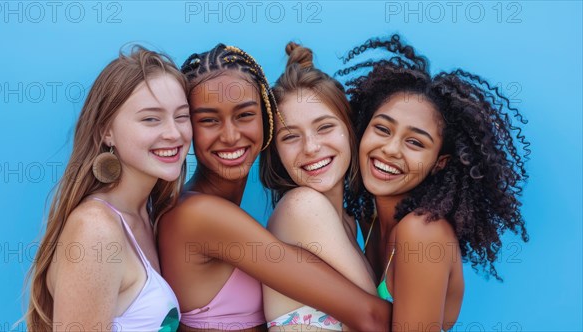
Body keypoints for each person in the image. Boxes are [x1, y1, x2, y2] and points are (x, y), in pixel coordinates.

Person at [157, 44, 390, 331]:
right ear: (188, 126)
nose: (230, 136)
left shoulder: (345, 220)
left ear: (266, 122)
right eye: (208, 120)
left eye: (244, 115)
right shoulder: (196, 213)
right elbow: (371, 317)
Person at [338, 34, 530, 331]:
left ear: (440, 162)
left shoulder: (422, 231)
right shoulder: (370, 218)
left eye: (415, 142)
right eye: (382, 129)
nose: (390, 149)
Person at [25, 46, 191, 332]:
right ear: (106, 131)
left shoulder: (149, 214)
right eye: (151, 118)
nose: (174, 133)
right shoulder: (96, 230)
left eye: (181, 116)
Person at [259, 42, 376, 331]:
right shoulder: (302, 206)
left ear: (349, 130)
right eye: (290, 137)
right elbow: (378, 319)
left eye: (325, 127)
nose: (311, 147)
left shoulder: (349, 221)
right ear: (276, 152)